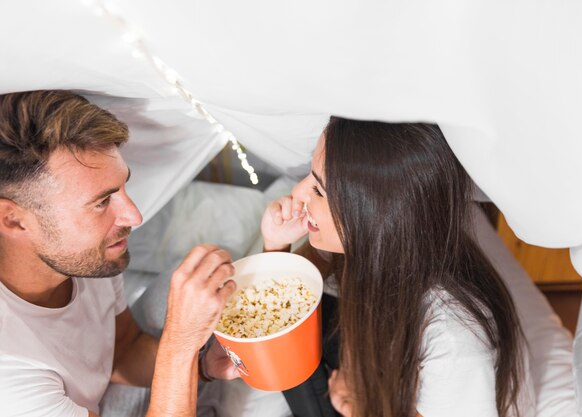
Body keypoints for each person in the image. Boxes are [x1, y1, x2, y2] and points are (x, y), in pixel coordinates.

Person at [261, 117, 536, 417]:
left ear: (372, 216)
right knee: (294, 323)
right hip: (378, 370)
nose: (298, 194)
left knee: (292, 349)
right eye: (310, 178)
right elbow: (278, 303)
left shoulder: (454, 342)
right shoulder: (380, 242)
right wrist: (275, 245)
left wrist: (359, 409)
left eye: (318, 190)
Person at [0, 90, 239, 417]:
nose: (133, 216)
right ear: (13, 220)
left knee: (186, 284)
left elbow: (123, 352)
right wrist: (181, 344)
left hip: (95, 401)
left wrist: (201, 366)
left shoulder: (88, 258)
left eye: (124, 188)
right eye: (102, 202)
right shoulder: (8, 372)